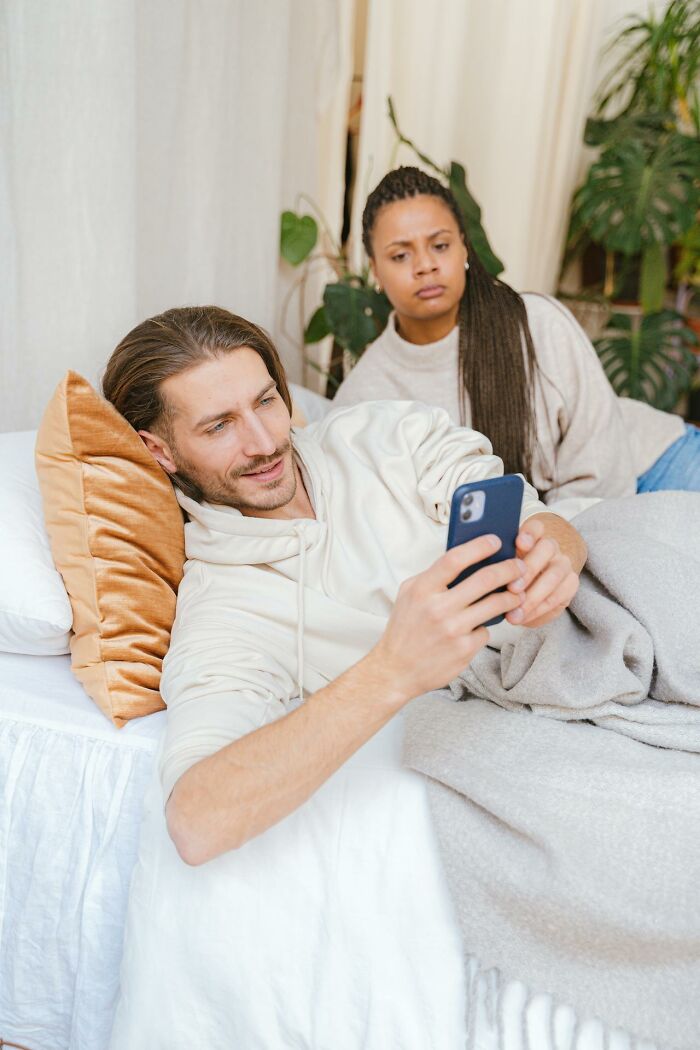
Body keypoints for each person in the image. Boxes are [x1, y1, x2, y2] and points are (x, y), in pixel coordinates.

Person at [102, 304, 586, 864]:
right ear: (159, 451)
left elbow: (527, 508)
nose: (263, 442)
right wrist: (393, 671)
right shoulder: (226, 607)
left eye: (265, 402)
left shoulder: (383, 433)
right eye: (219, 426)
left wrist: (556, 551)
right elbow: (196, 822)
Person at [333, 166, 700, 501]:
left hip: (653, 465)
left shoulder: (538, 322)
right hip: (550, 519)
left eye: (440, 245)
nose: (426, 265)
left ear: (463, 247)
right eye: (400, 256)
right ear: (375, 272)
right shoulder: (365, 396)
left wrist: (550, 539)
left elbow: (604, 473)